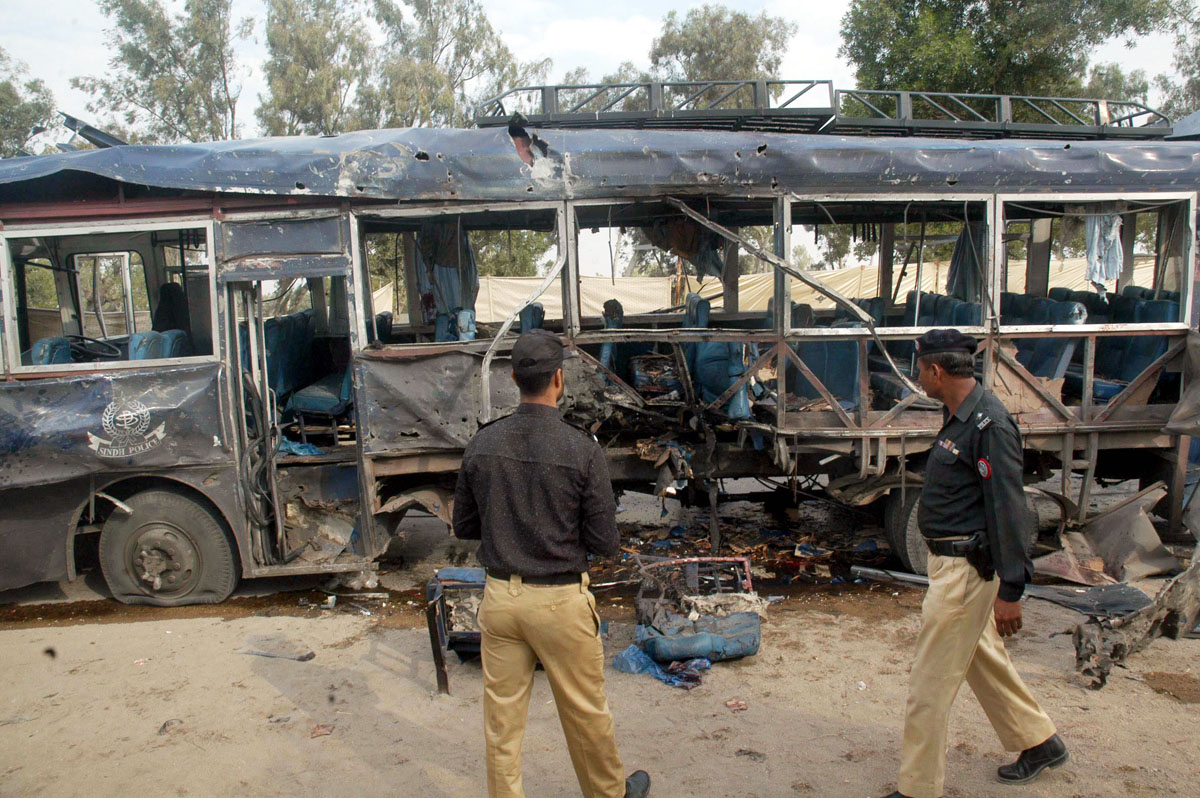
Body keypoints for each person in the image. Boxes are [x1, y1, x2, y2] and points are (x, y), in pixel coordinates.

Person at [453, 328, 650, 798]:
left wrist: (511, 525)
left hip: (501, 599)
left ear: (514, 379)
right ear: (558, 379)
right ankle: (608, 794)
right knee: (586, 713)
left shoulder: (482, 443)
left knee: (502, 723)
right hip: (560, 603)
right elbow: (605, 543)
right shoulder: (581, 449)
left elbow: (464, 525)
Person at [879, 329, 1068, 798]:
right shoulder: (960, 416)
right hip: (951, 567)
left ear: (937, 371)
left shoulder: (990, 425)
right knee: (983, 661)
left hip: (966, 572)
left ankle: (918, 788)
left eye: (920, 371)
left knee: (928, 687)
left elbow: (1010, 509)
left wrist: (1011, 590)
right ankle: (1040, 742)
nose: (918, 379)